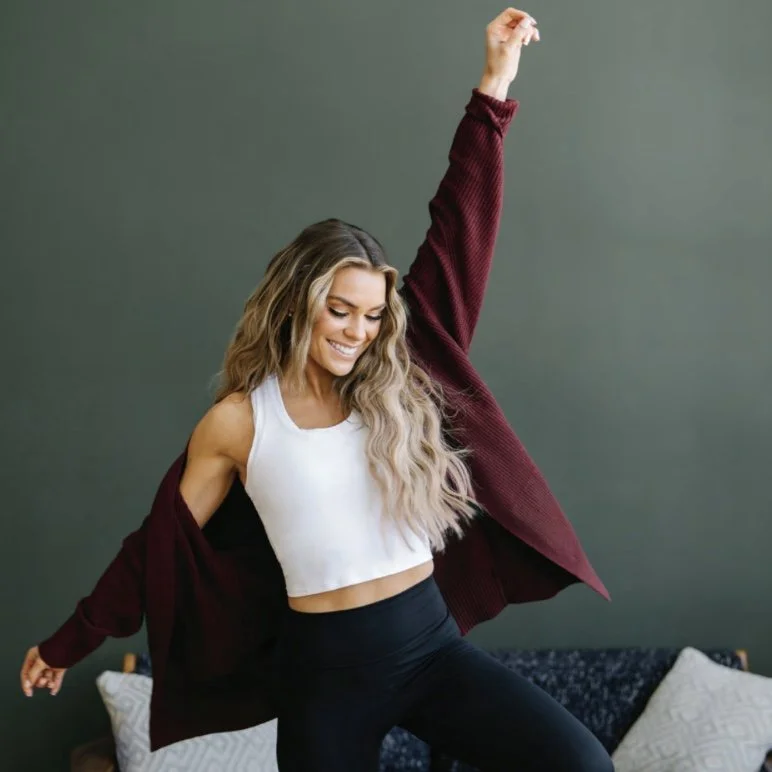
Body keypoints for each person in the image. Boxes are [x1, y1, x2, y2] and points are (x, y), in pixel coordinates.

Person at [21, 8, 614, 771]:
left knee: (583, 765)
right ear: (298, 300)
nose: (357, 331)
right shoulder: (238, 423)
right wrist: (69, 640)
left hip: (430, 647)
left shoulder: (404, 372)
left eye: (372, 315)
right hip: (324, 676)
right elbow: (153, 549)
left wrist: (494, 88)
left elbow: (458, 228)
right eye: (340, 311)